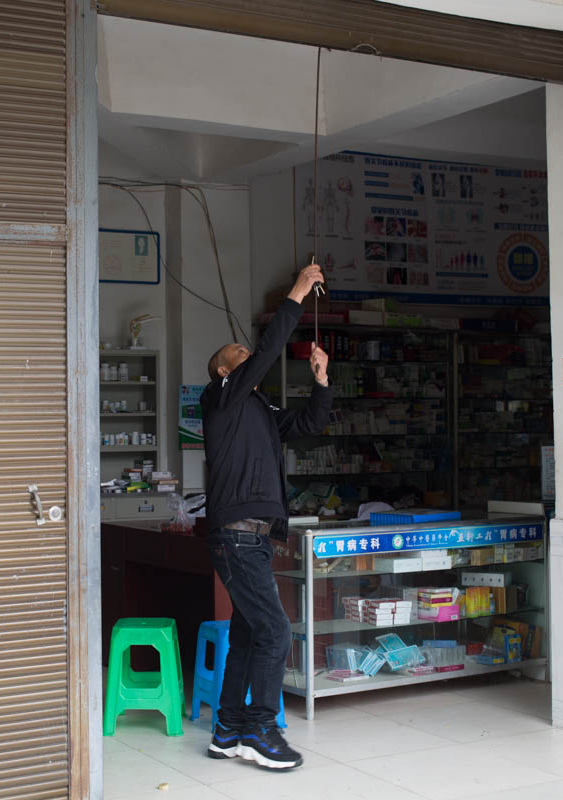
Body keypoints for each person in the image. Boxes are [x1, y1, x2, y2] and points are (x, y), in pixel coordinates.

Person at [200, 263, 334, 770]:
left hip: (252, 538)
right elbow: (265, 355)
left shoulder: (259, 409)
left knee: (252, 633)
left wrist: (320, 383)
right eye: (238, 353)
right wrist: (298, 294)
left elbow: (307, 424)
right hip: (235, 536)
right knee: (277, 631)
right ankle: (260, 729)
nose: (247, 355)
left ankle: (228, 729)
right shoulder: (221, 399)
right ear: (223, 371)